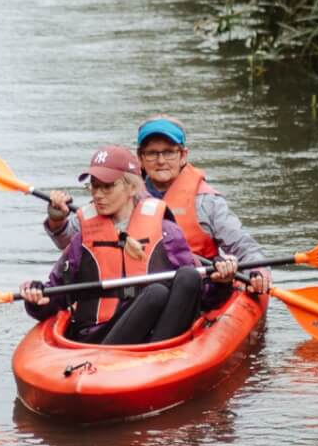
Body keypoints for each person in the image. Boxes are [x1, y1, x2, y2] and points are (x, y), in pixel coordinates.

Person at [19, 147, 239, 346]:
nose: (98, 195)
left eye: (107, 187)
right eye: (94, 187)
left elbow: (205, 298)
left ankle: (155, 355)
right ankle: (122, 364)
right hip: (98, 338)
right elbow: (53, 298)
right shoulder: (83, 239)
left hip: (154, 338)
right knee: (155, 293)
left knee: (188, 277)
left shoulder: (166, 233)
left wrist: (223, 281)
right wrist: (36, 299)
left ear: (131, 188)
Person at [42, 117, 271, 294]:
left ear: (183, 155)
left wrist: (257, 274)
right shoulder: (120, 194)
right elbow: (73, 242)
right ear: (140, 158)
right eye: (151, 153)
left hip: (195, 290)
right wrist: (56, 219)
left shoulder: (207, 202)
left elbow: (245, 248)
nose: (161, 161)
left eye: (169, 152)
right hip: (135, 291)